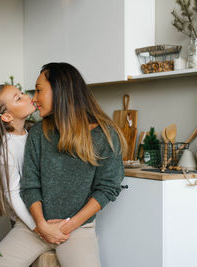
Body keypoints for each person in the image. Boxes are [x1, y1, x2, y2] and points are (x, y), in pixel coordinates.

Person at [18, 62, 127, 267]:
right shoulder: (38, 133)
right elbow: (30, 186)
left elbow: (107, 188)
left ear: (61, 91)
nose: (34, 99)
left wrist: (68, 226)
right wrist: (41, 225)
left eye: (39, 91)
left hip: (78, 229)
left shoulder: (104, 135)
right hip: (35, 227)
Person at [0, 84, 38, 265]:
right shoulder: (7, 147)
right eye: (18, 98)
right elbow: (12, 193)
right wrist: (35, 226)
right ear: (6, 116)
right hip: (26, 220)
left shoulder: (30, 135)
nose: (27, 96)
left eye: (21, 93)